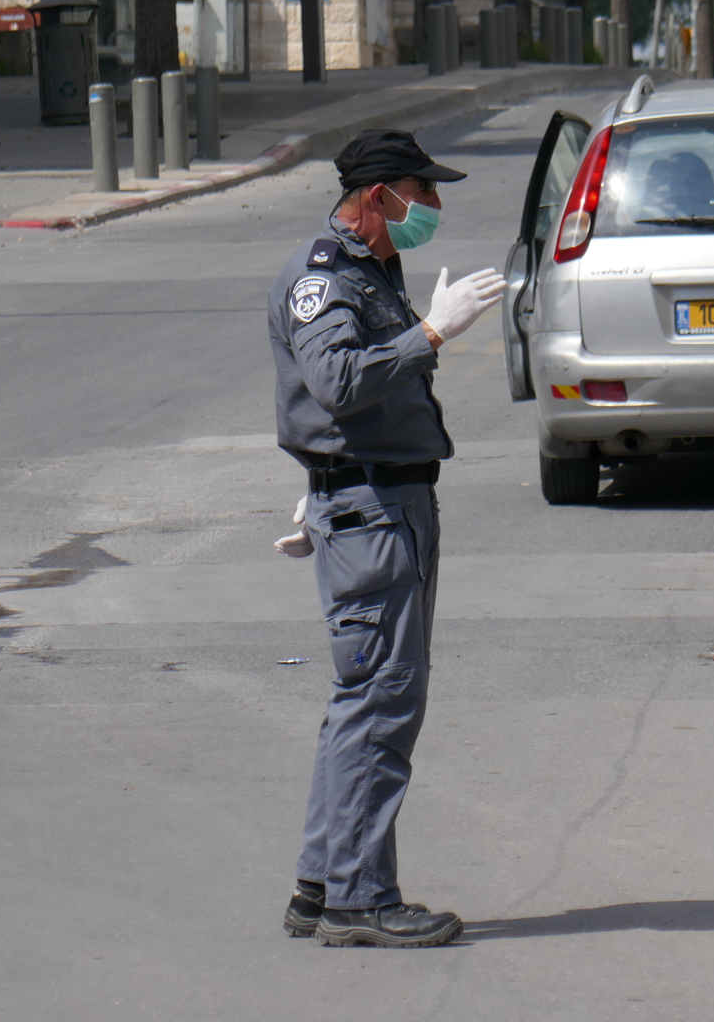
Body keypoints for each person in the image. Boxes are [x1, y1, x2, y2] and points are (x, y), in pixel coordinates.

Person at [265, 129, 505, 944]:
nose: (432, 208)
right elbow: (332, 382)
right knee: (381, 706)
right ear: (377, 199)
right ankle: (360, 900)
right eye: (421, 192)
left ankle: (320, 883)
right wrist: (430, 334)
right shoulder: (322, 277)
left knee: (361, 704)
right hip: (371, 516)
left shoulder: (372, 267)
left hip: (384, 504)